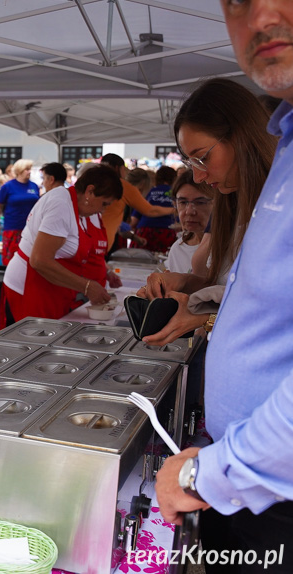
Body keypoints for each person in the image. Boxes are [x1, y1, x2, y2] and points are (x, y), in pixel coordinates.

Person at [155, 4, 293, 572]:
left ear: (240, 136)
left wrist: (206, 472)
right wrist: (201, 310)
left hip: (267, 485)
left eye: (203, 157)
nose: (261, 14)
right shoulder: (284, 153)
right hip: (246, 475)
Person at [137, 77, 275, 346]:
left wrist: (206, 319)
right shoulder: (231, 202)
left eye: (203, 157)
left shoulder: (281, 204)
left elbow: (277, 308)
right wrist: (184, 282)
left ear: (242, 137)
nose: (198, 176)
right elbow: (230, 289)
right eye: (191, 162)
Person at [1, 165, 123, 326]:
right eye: (104, 204)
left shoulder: (79, 208)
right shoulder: (61, 204)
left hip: (52, 286)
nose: (103, 211)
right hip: (31, 284)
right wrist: (87, 287)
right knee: (38, 342)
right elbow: (39, 260)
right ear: (89, 191)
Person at [99, 153, 175, 253]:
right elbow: (150, 210)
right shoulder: (121, 186)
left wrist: (133, 237)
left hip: (91, 237)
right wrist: (175, 210)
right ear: (119, 168)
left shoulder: (96, 184)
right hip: (105, 240)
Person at [0, 159, 40, 263]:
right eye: (27, 169)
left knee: (29, 259)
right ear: (20, 170)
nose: (29, 172)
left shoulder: (34, 186)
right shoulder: (8, 187)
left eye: (30, 169)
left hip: (31, 229)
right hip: (12, 227)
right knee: (11, 259)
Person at [165, 169, 213, 274]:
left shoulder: (231, 249)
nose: (189, 211)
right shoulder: (178, 249)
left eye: (200, 202)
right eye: (182, 202)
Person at [130, 165, 178, 253]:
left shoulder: (148, 192)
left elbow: (133, 221)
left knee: (139, 260)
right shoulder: (177, 195)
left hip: (144, 231)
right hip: (167, 233)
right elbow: (179, 223)